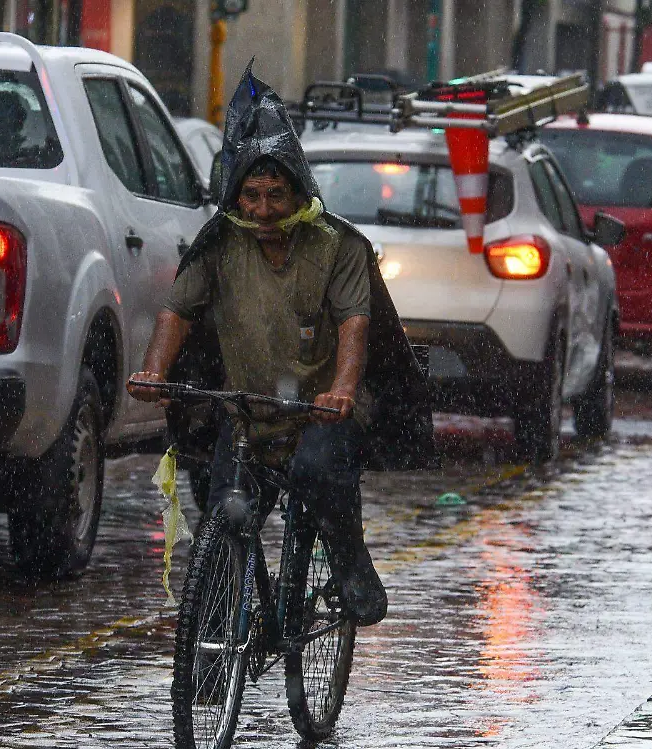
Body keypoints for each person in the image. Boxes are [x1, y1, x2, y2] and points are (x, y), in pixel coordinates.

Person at [127, 63, 436, 627]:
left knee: (320, 473)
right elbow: (178, 309)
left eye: (276, 194)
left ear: (297, 191)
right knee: (224, 514)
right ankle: (218, 645)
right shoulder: (220, 243)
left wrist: (342, 391)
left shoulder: (337, 245)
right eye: (252, 195)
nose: (264, 210)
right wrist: (153, 370)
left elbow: (355, 324)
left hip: (319, 412)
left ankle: (350, 566)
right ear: (236, 197)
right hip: (248, 412)